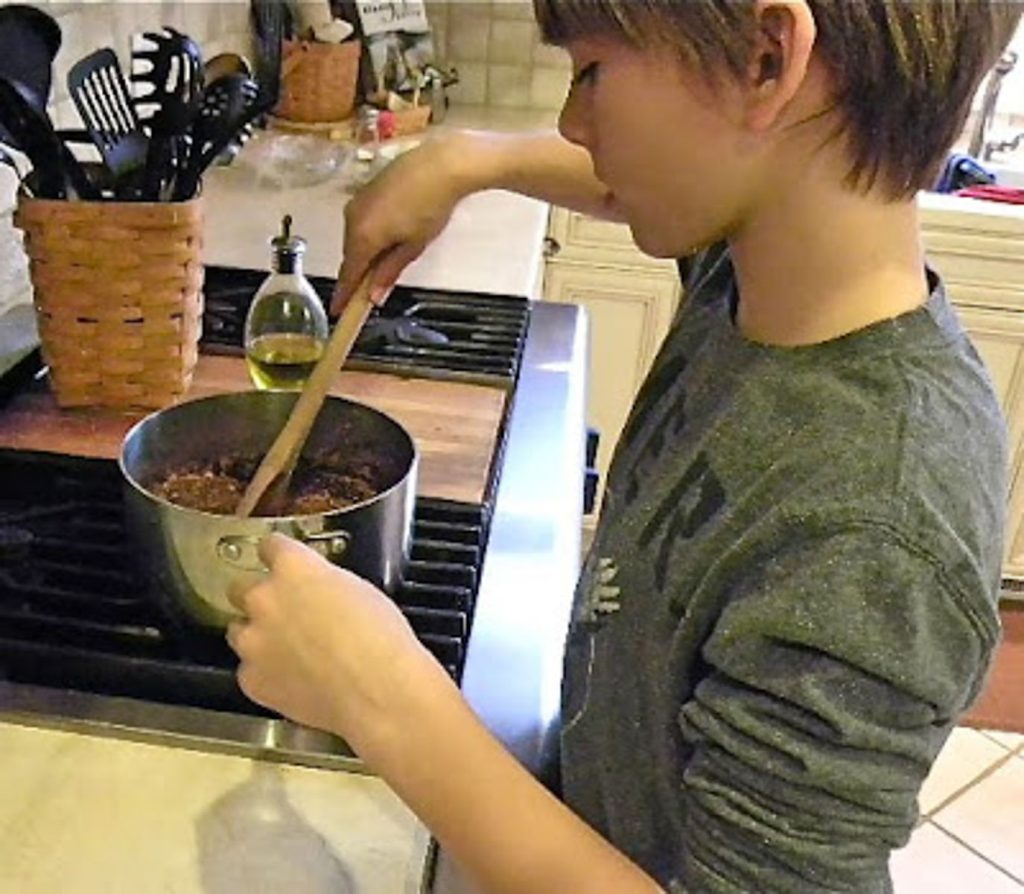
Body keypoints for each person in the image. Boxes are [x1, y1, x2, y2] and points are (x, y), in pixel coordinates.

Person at [225, 2, 1022, 891]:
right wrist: (467, 160)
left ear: (767, 61)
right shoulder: (759, 266)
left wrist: (380, 697)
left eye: (593, 71)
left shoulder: (875, 526)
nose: (571, 122)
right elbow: (643, 176)